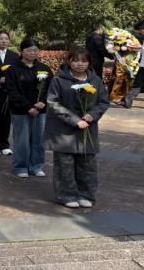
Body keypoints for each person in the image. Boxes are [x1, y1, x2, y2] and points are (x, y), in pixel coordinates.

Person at [45, 47, 110, 208]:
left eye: (84, 61)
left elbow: (103, 101)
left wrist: (92, 115)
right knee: (64, 165)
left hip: (87, 128)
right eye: (75, 60)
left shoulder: (95, 80)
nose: (80, 64)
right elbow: (53, 103)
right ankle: (66, 195)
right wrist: (74, 120)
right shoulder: (59, 80)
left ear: (89, 62)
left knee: (87, 165)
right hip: (64, 130)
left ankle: (86, 194)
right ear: (69, 61)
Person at [5, 39, 53, 178]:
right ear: (22, 51)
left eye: (35, 50)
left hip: (40, 111)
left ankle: (36, 166)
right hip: (20, 111)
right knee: (22, 141)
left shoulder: (44, 68)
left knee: (39, 140)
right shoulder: (13, 69)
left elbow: (52, 88)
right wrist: (28, 107)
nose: (32, 53)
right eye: (29, 50)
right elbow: (12, 91)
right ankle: (20, 166)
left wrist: (43, 102)